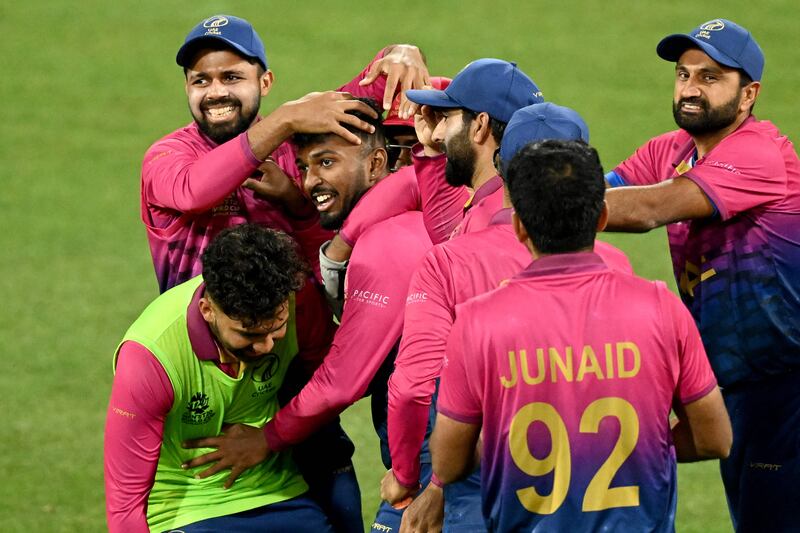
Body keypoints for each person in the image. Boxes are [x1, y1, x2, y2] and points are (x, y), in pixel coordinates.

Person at [431, 140, 732, 532]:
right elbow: (715, 438)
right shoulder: (660, 308)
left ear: (519, 226)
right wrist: (635, 448)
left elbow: (447, 463)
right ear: (603, 217)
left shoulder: (477, 323)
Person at [180, 99, 434, 532]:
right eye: (303, 166)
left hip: (439, 462)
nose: (311, 180)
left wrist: (267, 437)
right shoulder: (425, 216)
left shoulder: (385, 245)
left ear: (376, 163)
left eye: (327, 162)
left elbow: (342, 381)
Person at [383, 104, 633, 533]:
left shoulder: (450, 263)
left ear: (501, 168)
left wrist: (414, 479)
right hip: (600, 501)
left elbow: (411, 389)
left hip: (483, 498)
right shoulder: (621, 269)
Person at [603, 18, 800, 530]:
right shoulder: (671, 150)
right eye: (683, 74)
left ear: (748, 94)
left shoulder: (759, 153)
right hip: (740, 382)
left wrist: (545, 204)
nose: (690, 89)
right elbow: (599, 187)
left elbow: (649, 208)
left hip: (786, 387)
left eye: (710, 78)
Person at [142, 13, 429, 293]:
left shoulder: (294, 143)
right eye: (201, 81)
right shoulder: (168, 155)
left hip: (301, 338)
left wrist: (401, 53)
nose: (215, 92)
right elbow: (193, 191)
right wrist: (283, 120)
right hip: (205, 337)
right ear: (187, 86)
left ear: (264, 83)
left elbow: (379, 81)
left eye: (231, 77)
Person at [104, 224, 335, 532]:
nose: (267, 346)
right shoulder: (150, 357)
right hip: (185, 508)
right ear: (207, 310)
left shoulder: (297, 303)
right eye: (249, 334)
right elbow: (125, 503)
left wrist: (271, 435)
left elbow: (336, 383)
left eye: (276, 327)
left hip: (279, 493)